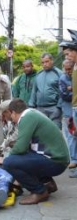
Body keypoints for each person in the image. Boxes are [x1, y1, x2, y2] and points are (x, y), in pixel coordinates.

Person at [2, 98, 69, 205]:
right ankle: (48, 184)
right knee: (23, 157)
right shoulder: (32, 114)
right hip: (56, 158)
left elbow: (20, 147)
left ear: (12, 112)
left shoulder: (27, 118)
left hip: (56, 161)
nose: (12, 120)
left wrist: (4, 159)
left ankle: (39, 191)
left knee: (9, 163)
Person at [28, 53, 63, 129]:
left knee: (55, 132)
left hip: (54, 108)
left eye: (47, 61)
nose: (45, 64)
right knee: (41, 133)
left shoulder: (59, 73)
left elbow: (62, 92)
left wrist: (59, 107)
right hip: (40, 109)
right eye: (43, 62)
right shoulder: (39, 74)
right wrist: (31, 106)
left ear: (52, 61)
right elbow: (34, 91)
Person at [60, 33, 77, 177]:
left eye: (69, 52)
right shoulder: (73, 69)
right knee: (72, 136)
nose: (67, 56)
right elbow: (65, 93)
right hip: (72, 108)